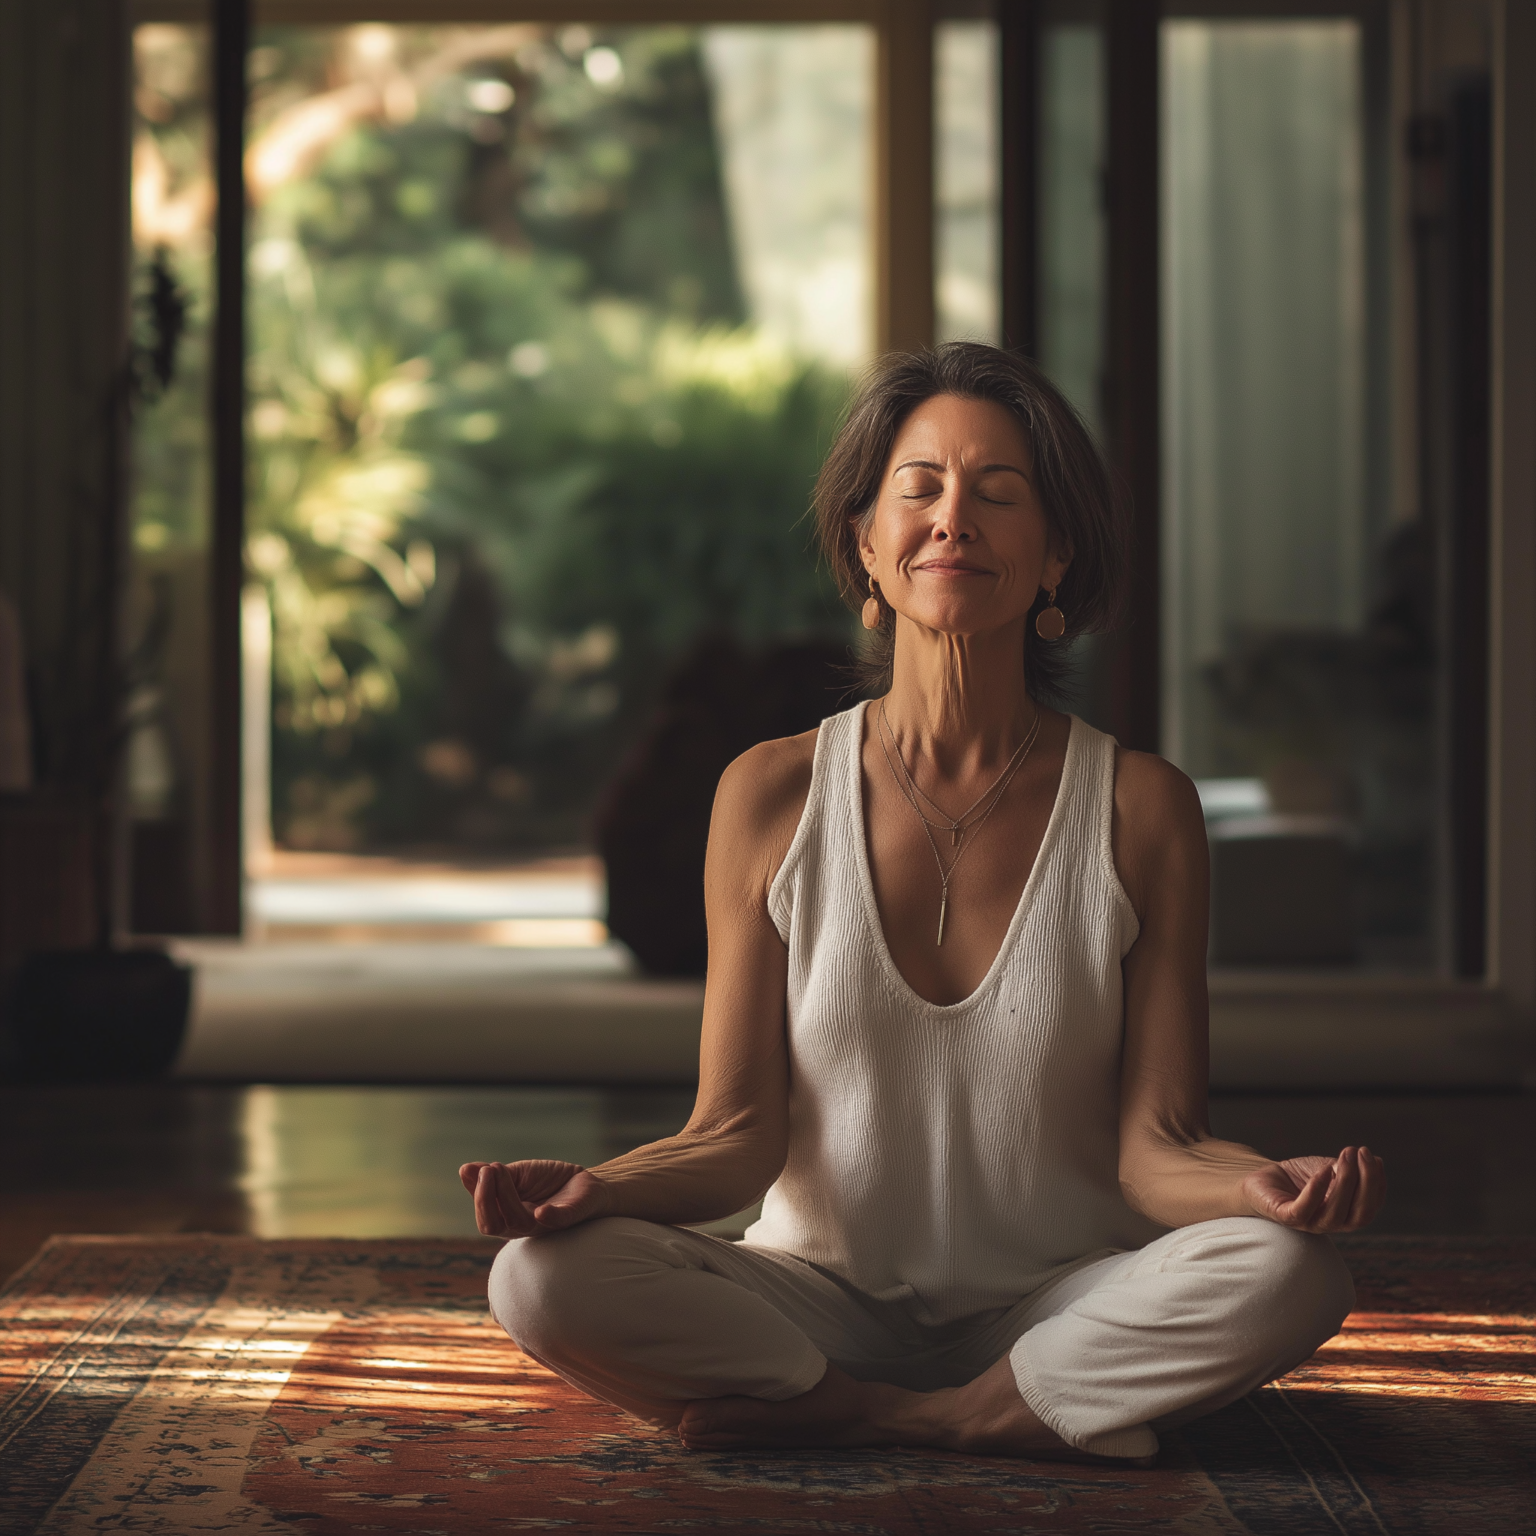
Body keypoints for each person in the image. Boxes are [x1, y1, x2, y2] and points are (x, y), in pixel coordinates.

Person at [459, 342, 1384, 1463]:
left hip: (1059, 1297)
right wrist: (596, 1189)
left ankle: (889, 1413)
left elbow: (1157, 1147)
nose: (955, 519)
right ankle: (1017, 1413)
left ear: (1056, 559)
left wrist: (1255, 1187)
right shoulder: (769, 793)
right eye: (921, 489)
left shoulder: (1142, 808)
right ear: (866, 548)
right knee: (540, 1278)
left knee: (1289, 1272)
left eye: (1000, 494)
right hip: (816, 1297)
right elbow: (733, 1136)